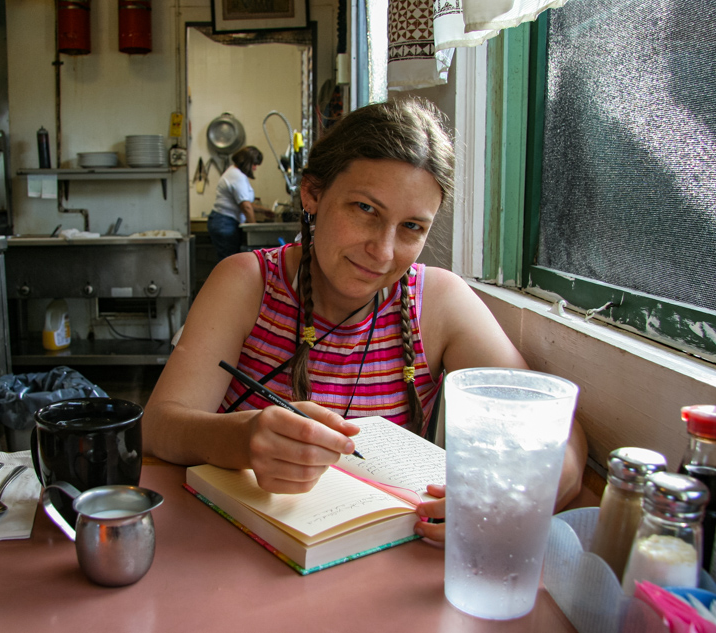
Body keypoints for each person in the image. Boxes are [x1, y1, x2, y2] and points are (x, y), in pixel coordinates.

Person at [145, 98, 587, 545]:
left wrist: (516, 499)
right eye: (365, 209)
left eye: (412, 227)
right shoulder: (247, 284)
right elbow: (159, 425)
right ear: (313, 193)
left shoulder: (438, 302)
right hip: (231, 550)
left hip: (380, 568)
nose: (384, 251)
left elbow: (561, 432)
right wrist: (243, 438)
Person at [206, 146, 273, 261]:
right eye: (254, 165)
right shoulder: (237, 176)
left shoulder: (234, 173)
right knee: (229, 264)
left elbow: (245, 203)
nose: (255, 168)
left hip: (223, 222)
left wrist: (263, 210)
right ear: (247, 163)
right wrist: (254, 229)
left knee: (229, 262)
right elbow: (246, 206)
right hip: (225, 223)